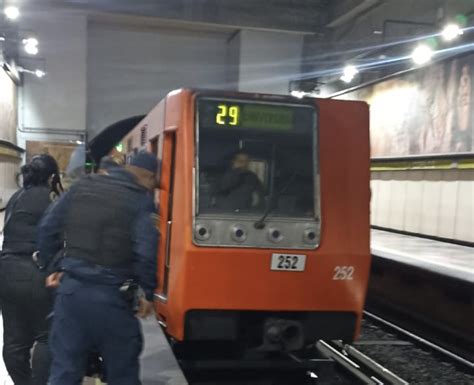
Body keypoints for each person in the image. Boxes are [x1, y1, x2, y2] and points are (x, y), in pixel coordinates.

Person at [37, 151, 159, 385]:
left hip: (71, 294)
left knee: (64, 371)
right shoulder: (139, 199)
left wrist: (51, 267)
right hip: (113, 298)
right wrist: (148, 292)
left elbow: (46, 228)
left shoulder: (81, 187)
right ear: (148, 177)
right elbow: (146, 251)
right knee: (122, 373)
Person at [0, 154, 62, 385]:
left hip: (6, 271)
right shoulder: (52, 198)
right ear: (52, 177)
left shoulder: (17, 197)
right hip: (36, 271)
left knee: (15, 343)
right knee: (46, 337)